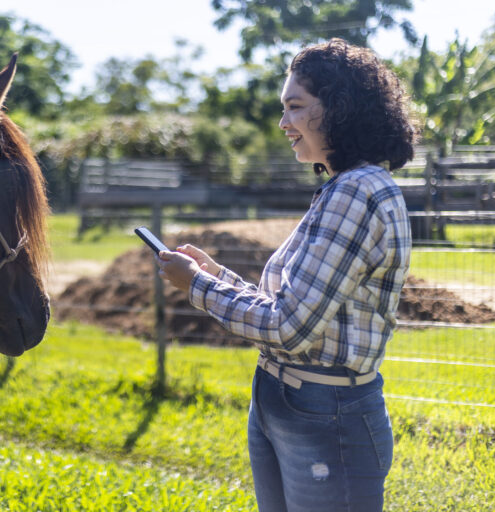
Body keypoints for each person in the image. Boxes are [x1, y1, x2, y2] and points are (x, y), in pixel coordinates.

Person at [157, 38, 416, 512]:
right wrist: (218, 276)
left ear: (338, 109)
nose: (283, 123)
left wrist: (197, 285)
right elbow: (291, 308)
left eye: (295, 107)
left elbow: (288, 327)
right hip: (290, 399)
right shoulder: (341, 187)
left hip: (324, 414)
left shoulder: (357, 192)